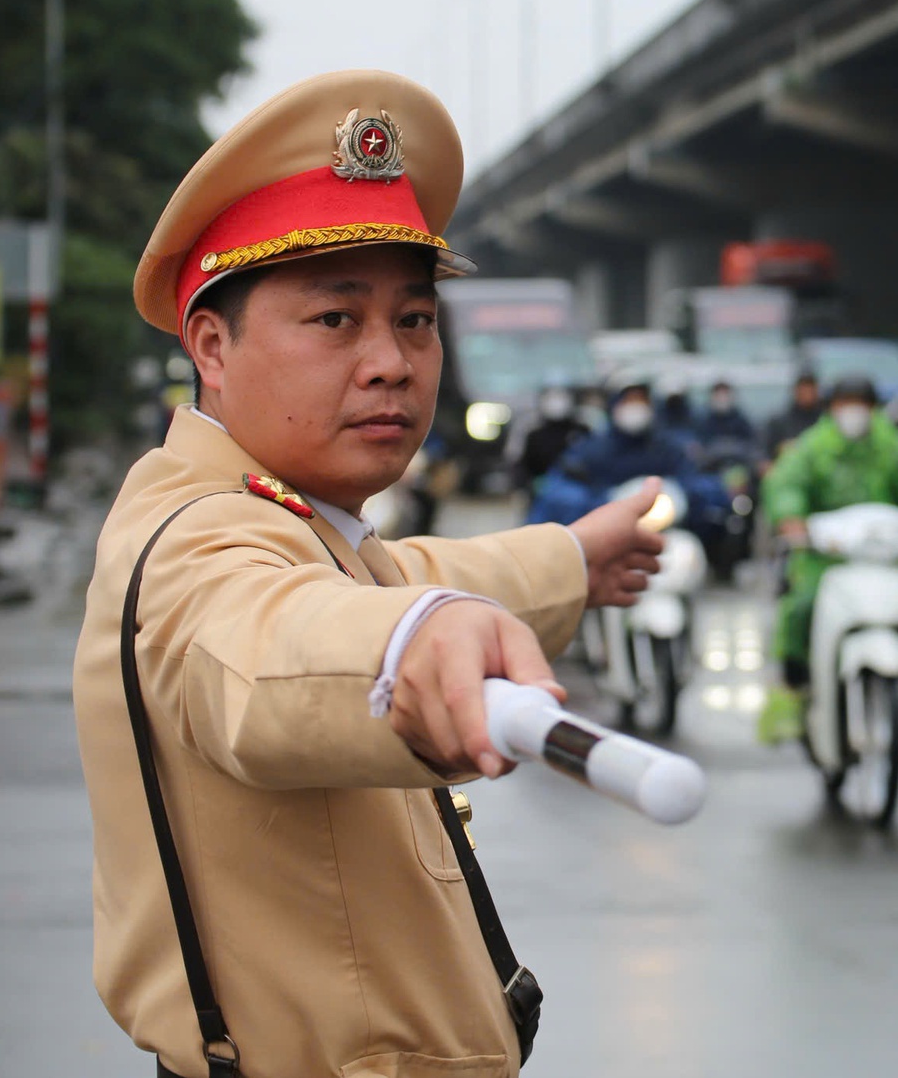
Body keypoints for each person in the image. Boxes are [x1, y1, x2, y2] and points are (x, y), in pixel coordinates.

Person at [72, 70, 666, 1077]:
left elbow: (405, 574)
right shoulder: (197, 544)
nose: (391, 361)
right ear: (210, 346)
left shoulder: (290, 520)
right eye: (335, 320)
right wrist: (412, 644)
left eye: (415, 319)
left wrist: (570, 556)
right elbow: (273, 643)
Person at [756, 376, 898, 744]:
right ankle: (797, 689)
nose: (853, 412)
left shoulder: (891, 445)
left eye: (860, 404)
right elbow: (786, 482)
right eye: (845, 403)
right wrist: (791, 516)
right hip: (827, 557)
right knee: (801, 606)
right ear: (832, 408)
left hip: (888, 557)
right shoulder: (814, 446)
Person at [526, 380, 710, 526]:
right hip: (603, 532)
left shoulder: (668, 448)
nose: (635, 407)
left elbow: (693, 479)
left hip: (668, 526)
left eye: (641, 401)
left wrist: (687, 494)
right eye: (628, 401)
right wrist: (600, 501)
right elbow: (560, 488)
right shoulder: (591, 449)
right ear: (614, 405)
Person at [517, 382, 589, 485]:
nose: (556, 403)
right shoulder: (534, 435)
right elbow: (525, 467)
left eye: (561, 397)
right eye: (551, 398)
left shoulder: (582, 431)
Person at [761, 371, 822, 460]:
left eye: (810, 388)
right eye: (803, 388)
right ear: (795, 390)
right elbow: (762, 451)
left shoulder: (825, 420)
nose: (807, 393)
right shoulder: (778, 421)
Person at [696, 379, 758, 459]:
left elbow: (750, 443)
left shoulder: (741, 419)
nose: (722, 399)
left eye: (725, 395)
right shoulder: (703, 421)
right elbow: (701, 446)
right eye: (718, 396)